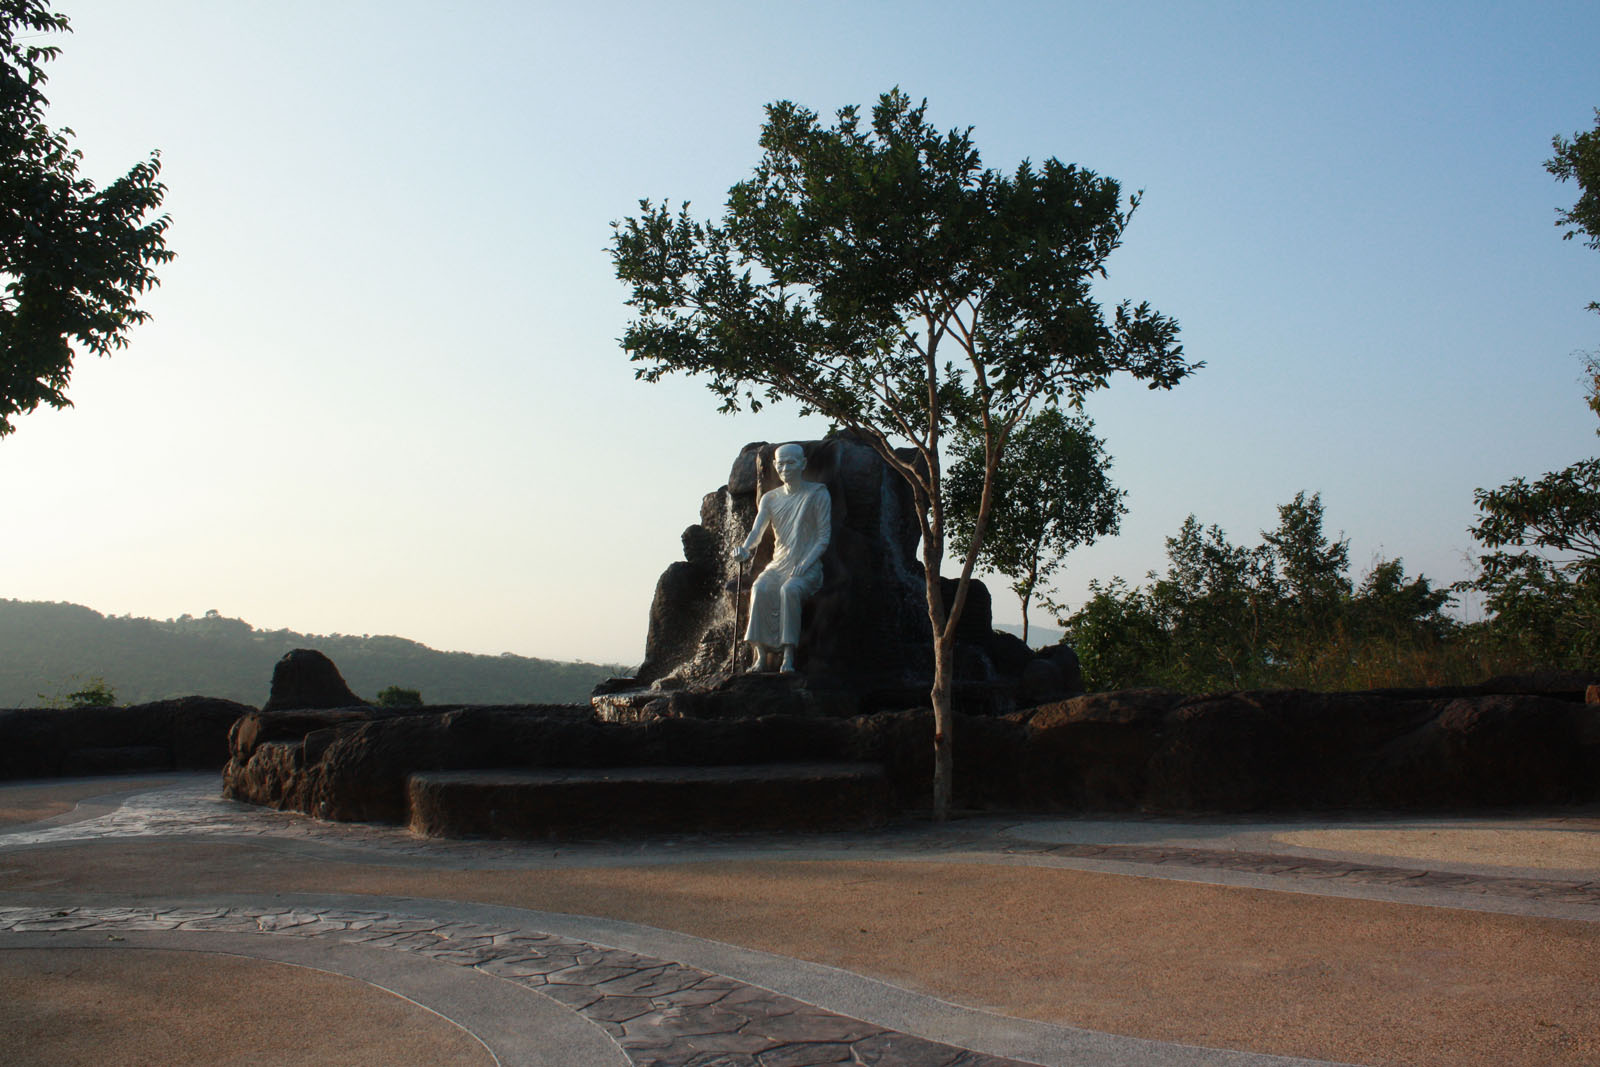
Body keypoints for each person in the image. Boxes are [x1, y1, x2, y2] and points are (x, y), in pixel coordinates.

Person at [734, 443, 831, 673]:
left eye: (791, 463)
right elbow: (756, 532)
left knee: (790, 590)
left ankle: (788, 655)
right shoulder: (770, 498)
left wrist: (806, 563)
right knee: (760, 588)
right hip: (779, 564)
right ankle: (761, 655)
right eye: (781, 464)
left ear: (803, 464)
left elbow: (823, 537)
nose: (785, 468)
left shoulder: (817, 494)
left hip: (807, 566)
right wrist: (744, 549)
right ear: (775, 466)